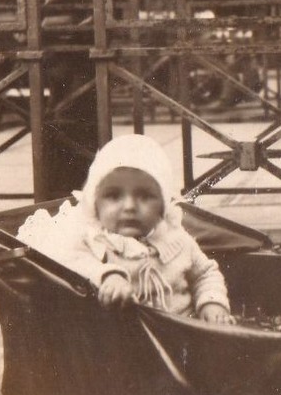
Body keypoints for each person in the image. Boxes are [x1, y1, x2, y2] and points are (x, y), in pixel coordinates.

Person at [18, 134, 232, 324]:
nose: (129, 206)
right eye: (113, 196)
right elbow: (66, 259)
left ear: (163, 206)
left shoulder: (176, 238)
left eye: (145, 196)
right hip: (118, 339)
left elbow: (205, 273)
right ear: (95, 203)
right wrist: (106, 276)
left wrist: (212, 303)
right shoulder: (90, 237)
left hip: (181, 331)